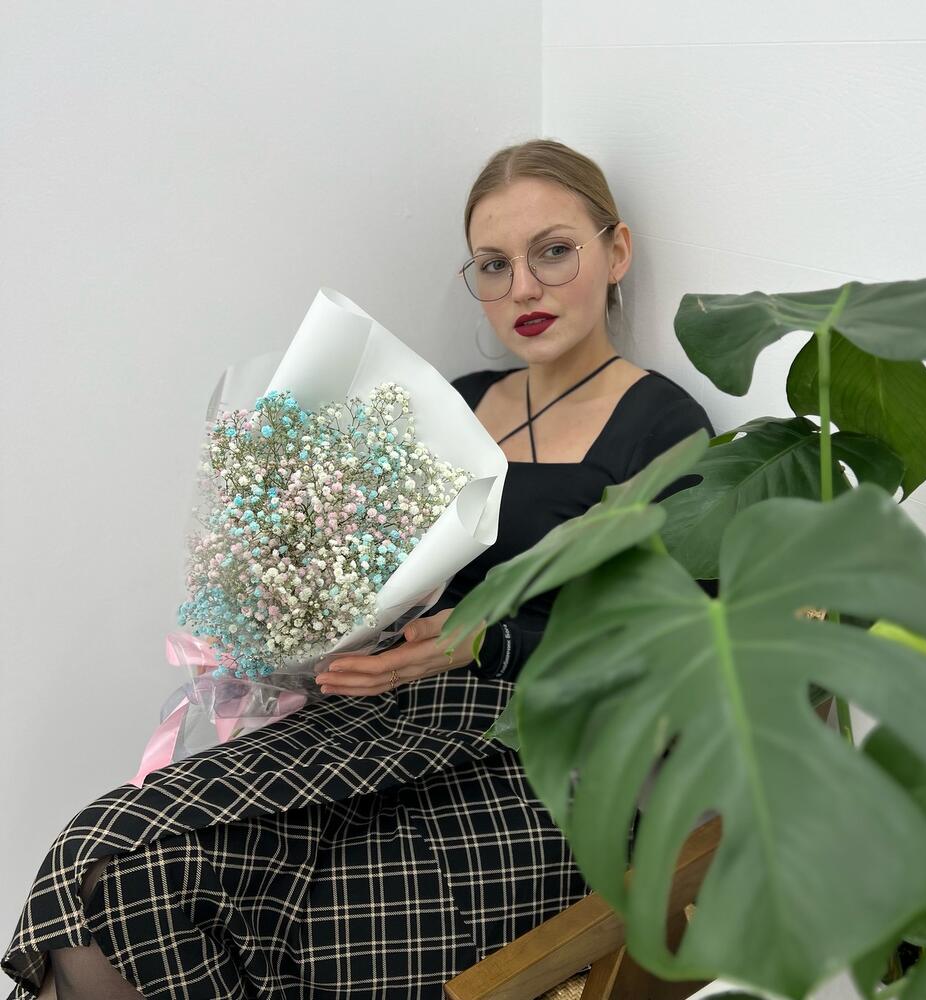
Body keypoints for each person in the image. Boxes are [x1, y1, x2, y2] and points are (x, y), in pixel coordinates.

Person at [2, 138, 715, 999]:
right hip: (379, 725)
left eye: (553, 251)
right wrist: (293, 614)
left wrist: (486, 642)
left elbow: (684, 648)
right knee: (104, 858)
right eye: (495, 265)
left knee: (185, 893)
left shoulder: (662, 427)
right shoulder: (450, 405)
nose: (524, 288)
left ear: (616, 251)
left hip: (545, 764)